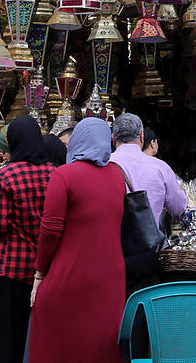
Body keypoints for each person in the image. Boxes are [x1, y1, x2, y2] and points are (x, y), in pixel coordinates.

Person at [30, 118, 126, 363]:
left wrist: (40, 272)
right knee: (99, 345)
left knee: (59, 344)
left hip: (71, 274)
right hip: (109, 279)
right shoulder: (117, 176)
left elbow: (50, 230)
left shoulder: (64, 175)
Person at [0, 115, 55, 363]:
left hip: (11, 270)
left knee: (5, 341)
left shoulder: (5, 176)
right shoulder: (55, 173)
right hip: (47, 270)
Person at [110, 113, 187, 293]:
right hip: (147, 251)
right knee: (142, 306)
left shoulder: (104, 164)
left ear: (113, 139)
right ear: (142, 137)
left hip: (110, 249)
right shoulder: (160, 167)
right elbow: (178, 208)